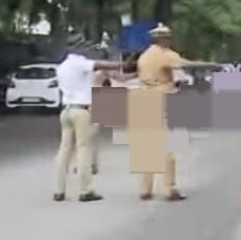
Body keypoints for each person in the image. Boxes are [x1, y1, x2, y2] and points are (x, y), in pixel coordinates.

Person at [136, 23, 215, 201]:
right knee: (167, 147)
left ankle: (145, 188)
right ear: (164, 39)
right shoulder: (166, 55)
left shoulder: (145, 55)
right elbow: (187, 65)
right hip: (161, 99)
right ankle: (169, 188)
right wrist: (211, 64)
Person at [54, 45, 125, 202]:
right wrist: (122, 64)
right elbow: (101, 64)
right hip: (81, 110)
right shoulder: (80, 63)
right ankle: (86, 190)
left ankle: (59, 189)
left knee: (64, 150)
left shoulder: (62, 66)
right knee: (83, 149)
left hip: (66, 110)